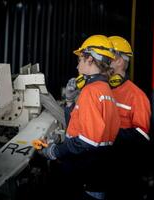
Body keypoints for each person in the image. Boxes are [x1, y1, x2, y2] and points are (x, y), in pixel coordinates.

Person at [39, 35, 121, 200]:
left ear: (90, 58)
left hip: (85, 178)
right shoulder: (104, 90)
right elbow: (78, 127)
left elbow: (86, 142)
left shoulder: (91, 92)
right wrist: (70, 101)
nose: (77, 65)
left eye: (80, 59)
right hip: (96, 176)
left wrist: (55, 151)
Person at [108, 35, 152, 199]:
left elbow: (142, 137)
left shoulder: (137, 96)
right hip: (98, 167)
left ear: (120, 61)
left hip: (123, 172)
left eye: (108, 57)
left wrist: (109, 133)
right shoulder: (98, 88)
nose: (102, 62)